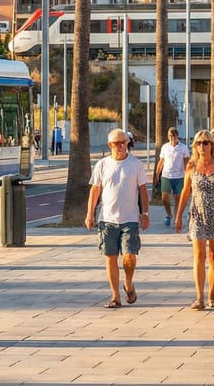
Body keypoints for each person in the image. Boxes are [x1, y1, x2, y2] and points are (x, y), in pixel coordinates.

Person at [85, 128, 149, 308]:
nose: (122, 146)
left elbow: (143, 190)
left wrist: (145, 213)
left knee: (130, 256)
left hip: (130, 219)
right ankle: (115, 296)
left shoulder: (135, 164)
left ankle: (128, 282)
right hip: (107, 219)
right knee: (110, 256)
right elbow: (95, 190)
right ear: (110, 145)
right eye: (118, 143)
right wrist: (90, 214)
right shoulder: (102, 165)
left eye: (124, 142)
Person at [174, 130, 214, 309]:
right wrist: (178, 216)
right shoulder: (191, 166)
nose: (202, 146)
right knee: (199, 256)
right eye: (199, 143)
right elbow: (186, 192)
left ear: (212, 144)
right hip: (197, 215)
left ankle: (212, 295)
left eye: (205, 142)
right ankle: (199, 297)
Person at [154, 127, 190, 227]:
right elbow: (161, 161)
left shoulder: (183, 147)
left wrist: (188, 175)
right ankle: (169, 214)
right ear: (168, 136)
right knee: (164, 198)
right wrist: (157, 174)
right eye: (170, 136)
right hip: (166, 176)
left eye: (174, 135)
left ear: (177, 136)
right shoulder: (165, 147)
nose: (172, 137)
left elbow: (187, 162)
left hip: (179, 176)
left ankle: (176, 217)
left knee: (178, 198)